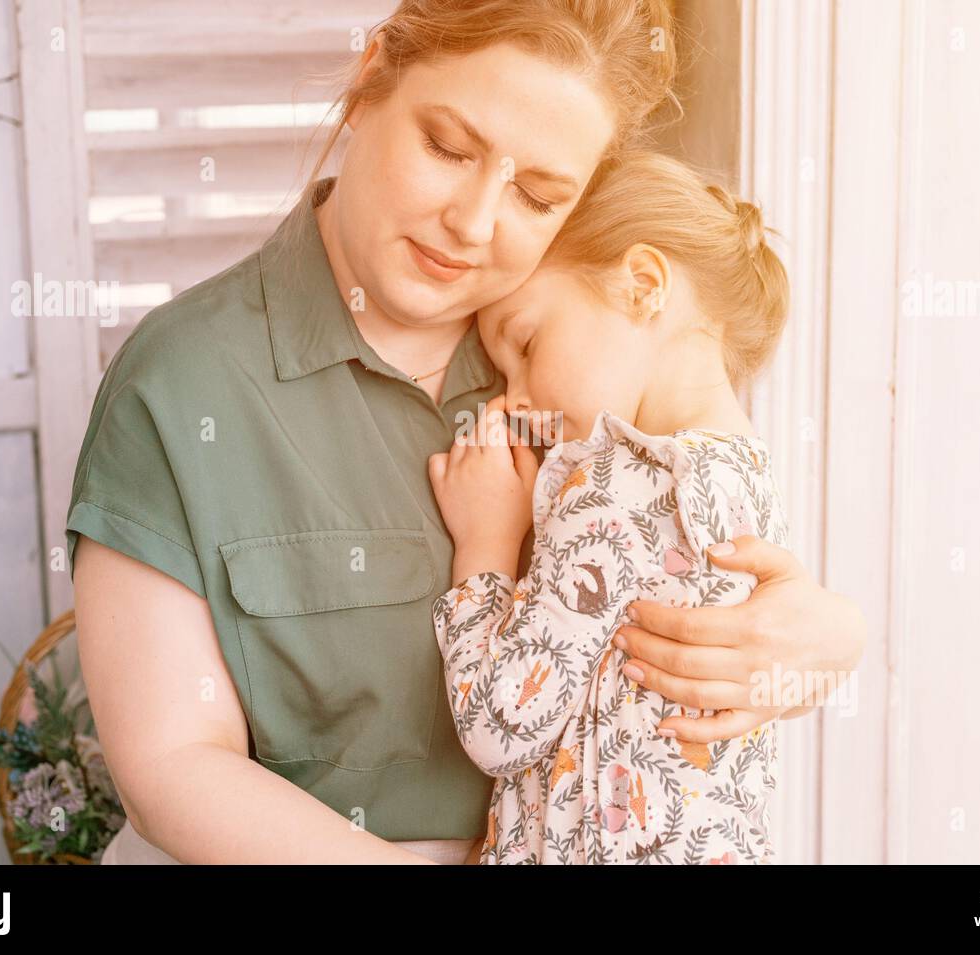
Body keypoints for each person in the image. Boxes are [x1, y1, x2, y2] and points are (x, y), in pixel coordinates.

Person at [70, 0, 866, 864]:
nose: (475, 222)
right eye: (448, 147)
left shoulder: (583, 359)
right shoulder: (181, 381)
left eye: (537, 194)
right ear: (370, 77)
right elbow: (173, 767)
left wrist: (826, 639)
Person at [430, 150, 792, 863]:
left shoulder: (616, 484)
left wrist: (485, 545)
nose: (513, 400)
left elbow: (500, 724)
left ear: (642, 285)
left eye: (527, 343)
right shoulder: (749, 481)